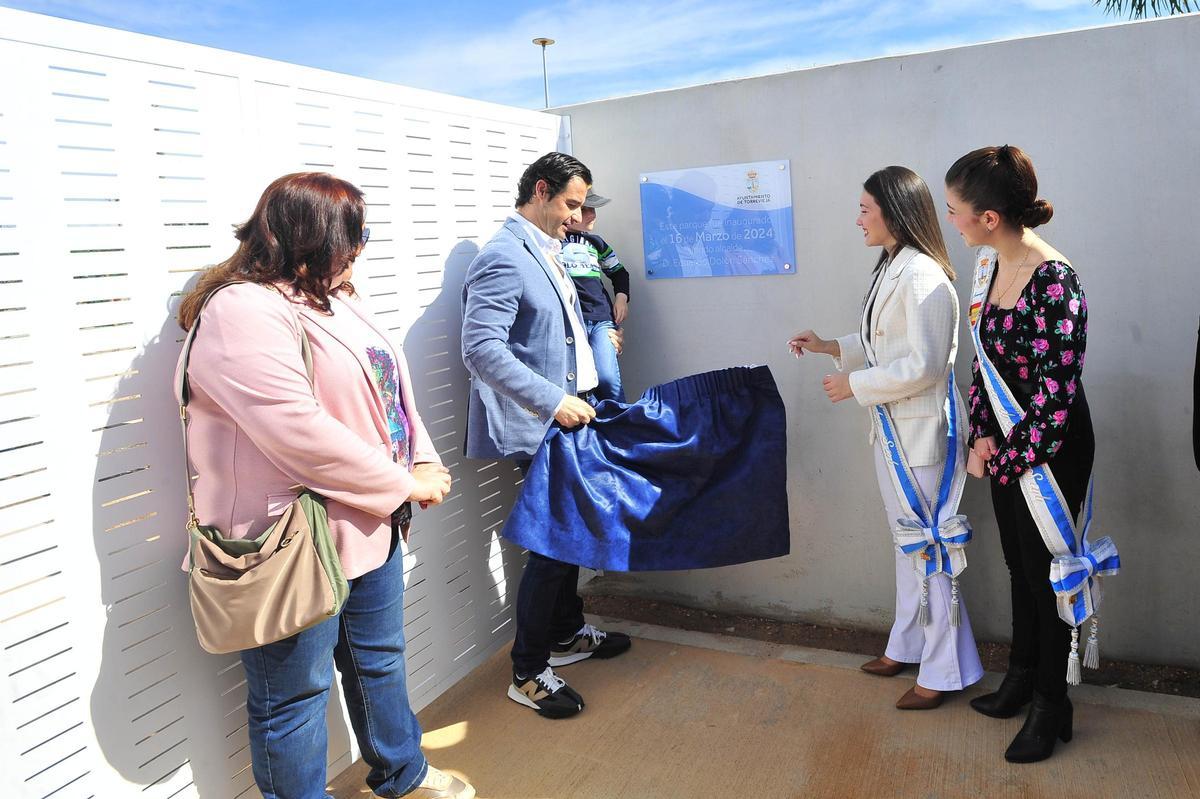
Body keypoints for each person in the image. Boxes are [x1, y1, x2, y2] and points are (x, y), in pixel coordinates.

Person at [175, 173, 474, 799]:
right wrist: (403, 483)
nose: (362, 247)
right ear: (310, 236)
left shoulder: (333, 299)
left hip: (367, 523)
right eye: (353, 234)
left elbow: (390, 393)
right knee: (294, 696)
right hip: (289, 540)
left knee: (380, 662)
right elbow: (296, 430)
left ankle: (403, 773)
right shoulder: (241, 308)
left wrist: (423, 460)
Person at [789, 166, 983, 711]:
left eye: (864, 210)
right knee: (908, 545)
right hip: (896, 430)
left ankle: (944, 671)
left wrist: (855, 384)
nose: (858, 220)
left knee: (928, 548)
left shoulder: (922, 274)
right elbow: (884, 339)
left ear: (893, 213)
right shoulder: (896, 266)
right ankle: (908, 644)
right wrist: (832, 347)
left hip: (923, 435)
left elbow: (924, 364)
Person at [461, 152, 631, 720]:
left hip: (571, 417)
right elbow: (481, 348)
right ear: (540, 190)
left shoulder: (548, 248)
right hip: (543, 424)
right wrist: (554, 401)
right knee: (555, 546)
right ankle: (528, 671)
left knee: (569, 539)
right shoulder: (504, 256)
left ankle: (564, 633)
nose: (578, 217)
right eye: (571, 205)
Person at [945, 144, 1093, 763]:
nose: (950, 219)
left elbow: (1056, 396)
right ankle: (1023, 677)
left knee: (1046, 574)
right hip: (1005, 442)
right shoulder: (987, 263)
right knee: (1018, 567)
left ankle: (1052, 704)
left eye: (955, 209)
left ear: (988, 217)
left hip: (1049, 448)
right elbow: (983, 362)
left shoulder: (1054, 279)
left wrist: (1007, 458)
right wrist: (981, 434)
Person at [561, 187, 630, 402]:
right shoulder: (552, 242)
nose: (592, 214)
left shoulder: (596, 243)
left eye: (594, 209)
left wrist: (621, 298)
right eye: (586, 209)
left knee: (607, 378)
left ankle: (620, 417)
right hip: (572, 322)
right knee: (580, 381)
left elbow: (619, 272)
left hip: (602, 319)